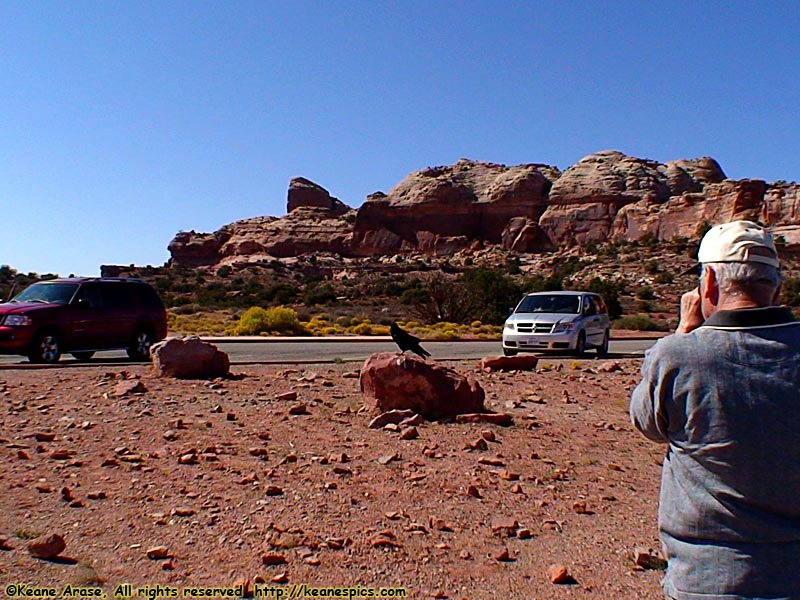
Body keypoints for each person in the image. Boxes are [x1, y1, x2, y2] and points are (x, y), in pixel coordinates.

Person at [630, 220, 800, 600]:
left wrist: (682, 330)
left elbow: (647, 423)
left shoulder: (678, 356)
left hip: (708, 577)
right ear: (777, 288)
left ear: (707, 283)